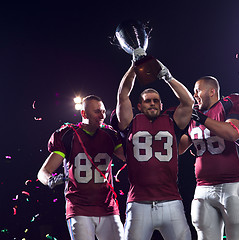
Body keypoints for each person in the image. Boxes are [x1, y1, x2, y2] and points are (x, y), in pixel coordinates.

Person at [112, 60, 194, 240]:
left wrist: (168, 78)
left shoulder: (172, 121)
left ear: (161, 105)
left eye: (156, 101)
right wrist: (134, 67)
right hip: (139, 204)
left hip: (171, 201)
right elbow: (123, 96)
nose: (152, 103)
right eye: (147, 101)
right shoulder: (131, 122)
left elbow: (188, 102)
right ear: (139, 106)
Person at [37, 95, 125, 240]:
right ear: (83, 113)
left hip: (108, 207)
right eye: (97, 111)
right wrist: (50, 180)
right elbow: (43, 172)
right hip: (79, 207)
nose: (102, 115)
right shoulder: (68, 135)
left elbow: (131, 158)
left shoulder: (110, 135)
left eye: (103, 111)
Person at [179, 76, 239, 240]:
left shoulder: (230, 104)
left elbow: (232, 133)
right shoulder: (195, 116)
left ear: (212, 91)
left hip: (233, 184)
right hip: (203, 187)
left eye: (198, 90)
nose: (195, 95)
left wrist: (203, 119)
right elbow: (178, 149)